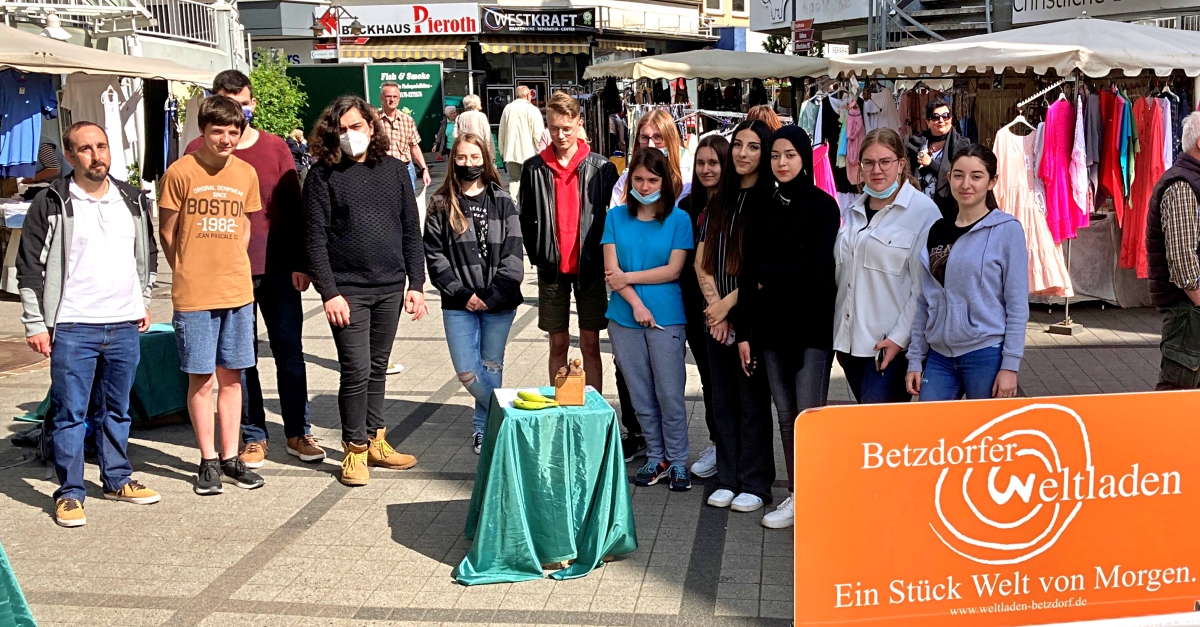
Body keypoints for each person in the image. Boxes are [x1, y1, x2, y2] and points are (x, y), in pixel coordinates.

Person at [18, 122, 161, 527]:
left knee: (116, 410)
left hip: (123, 323)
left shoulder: (131, 199)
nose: (96, 155)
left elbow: (146, 254)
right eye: (85, 149)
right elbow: (29, 267)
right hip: (72, 325)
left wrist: (143, 300)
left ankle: (117, 478)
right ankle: (70, 492)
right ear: (69, 156)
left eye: (101, 146)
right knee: (70, 413)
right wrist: (35, 323)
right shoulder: (52, 201)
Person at [183, 70, 323, 469]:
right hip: (224, 276)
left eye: (241, 101)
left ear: (252, 103)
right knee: (237, 361)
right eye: (226, 101)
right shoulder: (194, 149)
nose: (235, 110)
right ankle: (253, 435)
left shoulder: (276, 147)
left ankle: (298, 431)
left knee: (289, 353)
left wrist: (301, 263)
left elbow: (294, 211)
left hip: (278, 269)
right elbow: (176, 222)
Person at [304, 96, 425, 486]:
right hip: (347, 290)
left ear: (371, 128)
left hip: (390, 286)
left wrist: (417, 284)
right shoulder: (322, 175)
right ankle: (353, 449)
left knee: (377, 366)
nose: (349, 135)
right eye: (341, 129)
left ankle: (376, 439)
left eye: (356, 127)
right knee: (355, 369)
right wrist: (329, 292)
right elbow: (314, 240)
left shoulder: (394, 170)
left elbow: (410, 230)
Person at [159, 95, 265, 494]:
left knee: (233, 377)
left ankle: (231, 455)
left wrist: (231, 261)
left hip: (237, 290)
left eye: (233, 131)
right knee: (201, 379)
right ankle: (206, 460)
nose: (225, 139)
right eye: (217, 131)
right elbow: (168, 231)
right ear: (202, 131)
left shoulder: (245, 174)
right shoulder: (180, 172)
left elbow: (244, 227)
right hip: (195, 293)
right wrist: (187, 267)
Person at [738, 125, 839, 529]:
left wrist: (769, 273)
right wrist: (744, 332)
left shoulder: (822, 206)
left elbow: (817, 270)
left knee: (809, 415)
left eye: (790, 155)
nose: (781, 163)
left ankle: (814, 496)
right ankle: (799, 493)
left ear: (803, 159)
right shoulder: (761, 206)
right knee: (785, 415)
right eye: (776, 155)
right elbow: (748, 272)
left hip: (811, 328)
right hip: (770, 329)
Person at [425, 132, 524, 455]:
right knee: (468, 371)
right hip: (458, 301)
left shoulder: (503, 200)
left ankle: (484, 428)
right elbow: (435, 257)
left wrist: (494, 295)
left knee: (492, 365)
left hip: (500, 300)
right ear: (454, 160)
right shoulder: (440, 203)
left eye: (475, 157)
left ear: (487, 159)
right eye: (462, 158)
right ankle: (505, 415)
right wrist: (462, 292)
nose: (469, 164)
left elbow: (513, 253)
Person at [906, 144, 1029, 401]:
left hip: (985, 352)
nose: (966, 184)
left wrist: (1010, 366)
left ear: (992, 181)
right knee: (931, 432)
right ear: (949, 178)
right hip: (939, 355)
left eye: (976, 176)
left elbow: (1017, 305)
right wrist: (915, 359)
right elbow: (924, 300)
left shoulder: (1007, 230)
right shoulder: (937, 229)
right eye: (959, 175)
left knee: (986, 436)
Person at [602, 148, 694, 492]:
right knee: (640, 394)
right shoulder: (614, 218)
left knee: (670, 393)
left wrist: (629, 279)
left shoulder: (678, 220)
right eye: (637, 179)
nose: (643, 186)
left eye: (652, 179)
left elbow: (674, 269)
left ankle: (679, 459)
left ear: (665, 181)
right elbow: (612, 270)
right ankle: (656, 455)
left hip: (667, 318)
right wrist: (635, 302)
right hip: (624, 318)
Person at [696, 120, 775, 514]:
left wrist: (728, 308)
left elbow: (764, 271)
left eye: (754, 147)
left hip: (753, 318)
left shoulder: (770, 201)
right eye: (739, 145)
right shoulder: (719, 200)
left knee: (752, 401)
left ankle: (756, 482)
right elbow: (702, 262)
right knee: (722, 400)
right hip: (718, 320)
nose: (743, 153)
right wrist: (716, 313)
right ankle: (726, 476)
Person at [520, 92, 618, 392]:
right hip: (551, 268)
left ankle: (593, 405)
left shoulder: (601, 168)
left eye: (566, 127)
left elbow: (613, 218)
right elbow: (525, 216)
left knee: (590, 342)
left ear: (579, 124)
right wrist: (537, 254)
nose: (560, 135)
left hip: (590, 267)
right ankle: (561, 404)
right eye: (553, 128)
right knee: (557, 342)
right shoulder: (534, 168)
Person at [834, 128, 941, 404]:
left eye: (885, 162)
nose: (876, 170)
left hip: (888, 348)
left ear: (901, 164)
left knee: (880, 435)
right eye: (868, 162)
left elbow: (923, 289)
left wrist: (898, 339)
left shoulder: (922, 212)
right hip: (850, 346)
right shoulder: (854, 210)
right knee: (873, 436)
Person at [679, 135, 728, 480]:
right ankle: (717, 443)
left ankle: (735, 450)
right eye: (701, 163)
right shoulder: (686, 207)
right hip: (695, 310)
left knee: (735, 383)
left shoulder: (737, 204)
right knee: (710, 381)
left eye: (714, 162)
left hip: (729, 306)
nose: (707, 169)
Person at [1146, 112, 1200, 390]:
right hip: (1189, 311)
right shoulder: (1182, 184)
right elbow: (1183, 263)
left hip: (1191, 310)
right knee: (1180, 400)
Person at [378, 81, 428, 377]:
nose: (393, 100)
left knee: (406, 219)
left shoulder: (407, 119)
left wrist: (423, 168)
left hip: (405, 168)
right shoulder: (374, 118)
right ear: (381, 98)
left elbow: (414, 145)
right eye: (388, 97)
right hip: (382, 169)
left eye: (396, 96)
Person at [609, 109, 689, 211]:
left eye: (658, 137)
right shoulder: (625, 181)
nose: (650, 145)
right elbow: (615, 220)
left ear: (671, 140)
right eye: (644, 138)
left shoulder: (685, 182)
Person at [907, 98, 966, 220]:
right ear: (928, 121)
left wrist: (931, 163)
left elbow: (960, 176)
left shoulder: (961, 146)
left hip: (947, 211)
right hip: (917, 210)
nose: (941, 120)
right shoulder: (915, 144)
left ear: (951, 119)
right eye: (935, 117)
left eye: (945, 116)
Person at [499, 86, 545, 199]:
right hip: (529, 152)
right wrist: (542, 152)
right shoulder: (533, 110)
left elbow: (502, 131)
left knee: (514, 179)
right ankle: (527, 204)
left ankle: (513, 203)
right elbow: (538, 134)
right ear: (529, 95)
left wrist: (502, 149)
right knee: (530, 179)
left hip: (511, 151)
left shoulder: (508, 108)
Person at [454, 95, 494, 165]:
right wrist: (491, 155)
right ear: (476, 103)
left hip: (464, 150)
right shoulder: (481, 116)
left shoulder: (459, 117)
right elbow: (487, 137)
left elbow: (455, 135)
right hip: (479, 150)